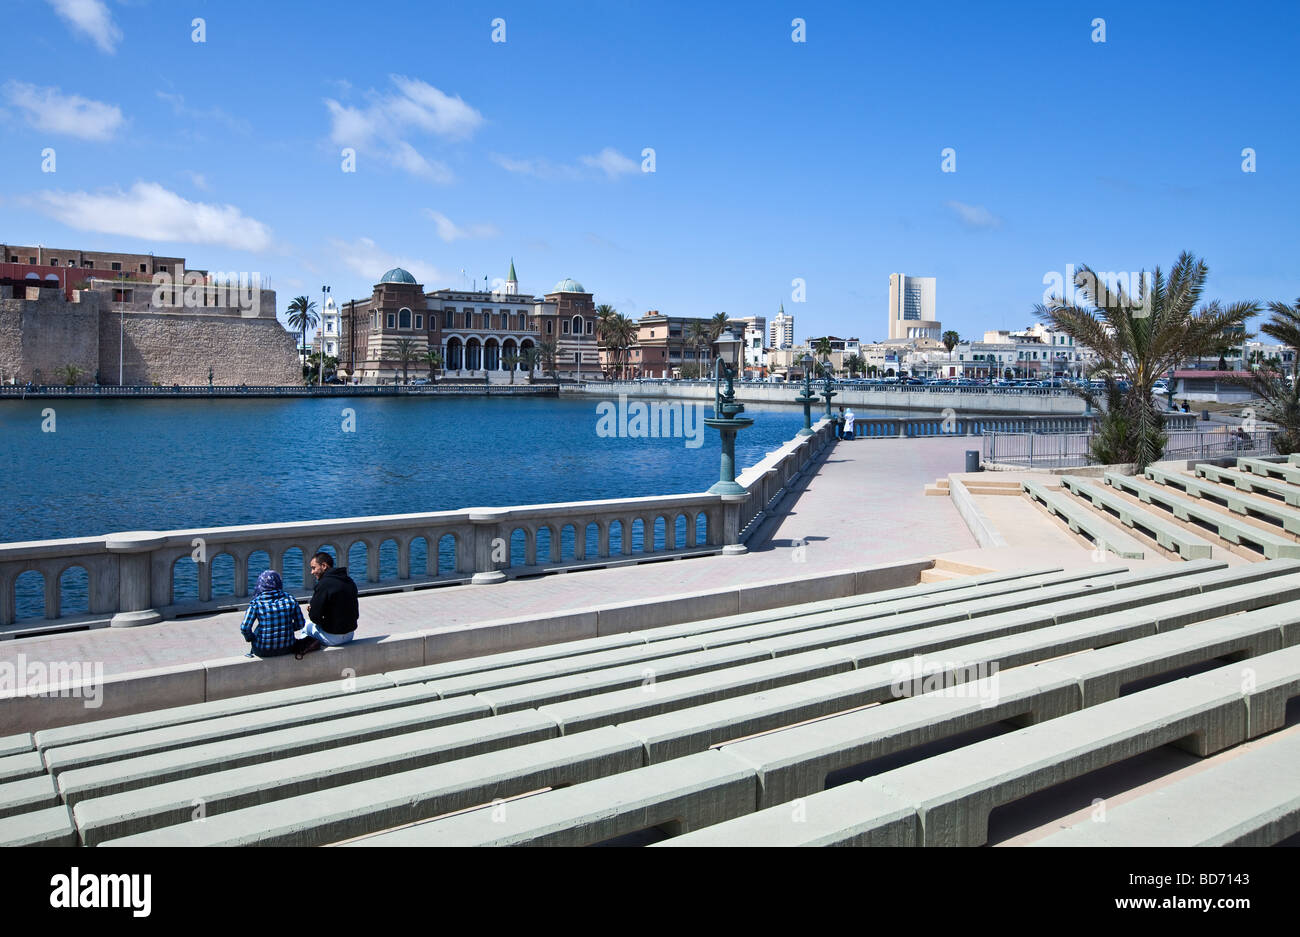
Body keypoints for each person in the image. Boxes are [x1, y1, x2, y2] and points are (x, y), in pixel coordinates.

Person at [294, 551, 359, 657]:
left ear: (324, 566)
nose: (312, 572)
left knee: (305, 625)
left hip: (333, 637)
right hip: (350, 634)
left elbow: (314, 617)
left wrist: (312, 610)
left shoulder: (324, 584)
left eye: (314, 568)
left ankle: (303, 657)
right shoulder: (349, 580)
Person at [240, 570, 303, 658]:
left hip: (263, 650)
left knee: (259, 629)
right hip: (288, 647)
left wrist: (250, 638)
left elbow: (245, 628)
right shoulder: (290, 599)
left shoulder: (257, 603)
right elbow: (300, 624)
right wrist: (285, 627)